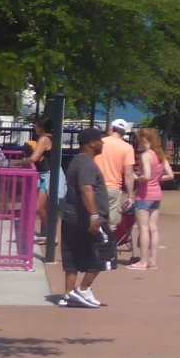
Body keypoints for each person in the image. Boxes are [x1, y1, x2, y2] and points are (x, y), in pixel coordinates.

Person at [58, 129, 111, 307]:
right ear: (92, 143)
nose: (103, 143)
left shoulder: (76, 161)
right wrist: (95, 215)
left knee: (72, 256)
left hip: (72, 217)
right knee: (105, 253)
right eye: (100, 140)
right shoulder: (87, 164)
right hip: (86, 219)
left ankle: (68, 294)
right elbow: (86, 189)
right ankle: (83, 289)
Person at [128, 128, 174, 270]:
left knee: (143, 229)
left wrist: (137, 177)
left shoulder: (146, 156)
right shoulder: (160, 155)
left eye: (139, 141)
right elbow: (171, 175)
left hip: (145, 195)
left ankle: (143, 261)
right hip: (156, 194)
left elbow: (146, 175)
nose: (138, 144)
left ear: (144, 140)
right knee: (153, 229)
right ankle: (153, 260)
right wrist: (157, 178)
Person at [98, 119, 137, 239]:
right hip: (114, 188)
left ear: (111, 129)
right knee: (110, 224)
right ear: (123, 133)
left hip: (96, 186)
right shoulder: (127, 148)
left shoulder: (99, 143)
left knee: (94, 218)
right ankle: (106, 249)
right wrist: (130, 196)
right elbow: (128, 173)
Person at [23, 118, 56, 231]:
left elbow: (34, 157)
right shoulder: (51, 137)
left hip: (48, 174)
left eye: (36, 126)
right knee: (43, 207)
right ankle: (51, 234)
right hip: (47, 174)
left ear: (41, 127)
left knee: (39, 207)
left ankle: (52, 233)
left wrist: (23, 161)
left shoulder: (44, 139)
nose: (34, 128)